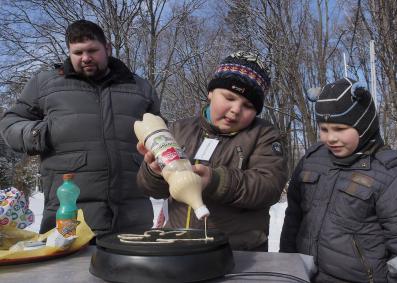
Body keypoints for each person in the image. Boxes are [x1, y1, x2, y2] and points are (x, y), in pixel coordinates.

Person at [0, 20, 160, 236]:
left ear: (108, 48)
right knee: (68, 270)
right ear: (69, 52)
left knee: (136, 269)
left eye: (92, 50)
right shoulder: (45, 84)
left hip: (133, 217)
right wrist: (41, 134)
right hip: (68, 218)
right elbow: (10, 123)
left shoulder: (140, 88)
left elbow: (160, 132)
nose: (85, 58)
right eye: (78, 52)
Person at [137, 51, 287, 251]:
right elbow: (151, 189)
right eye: (229, 97)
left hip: (237, 251)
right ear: (210, 93)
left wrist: (216, 181)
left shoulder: (264, 135)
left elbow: (269, 187)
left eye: (248, 105)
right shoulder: (178, 130)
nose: (235, 109)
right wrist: (155, 173)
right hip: (178, 246)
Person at [280, 78, 397, 282]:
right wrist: (287, 266)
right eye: (324, 128)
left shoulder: (392, 176)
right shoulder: (312, 160)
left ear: (364, 126)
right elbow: (293, 218)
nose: (330, 138)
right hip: (305, 275)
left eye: (340, 129)